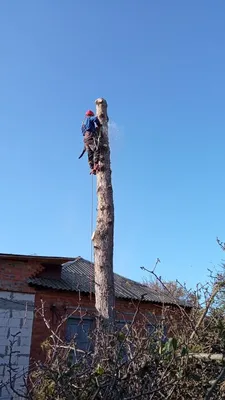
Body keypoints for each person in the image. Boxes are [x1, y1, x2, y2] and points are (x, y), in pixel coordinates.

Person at [81, 110, 101, 174]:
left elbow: (83, 132)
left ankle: (92, 167)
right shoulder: (89, 118)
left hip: (85, 139)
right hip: (90, 136)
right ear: (91, 115)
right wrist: (99, 125)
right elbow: (95, 119)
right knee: (96, 149)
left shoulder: (83, 124)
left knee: (90, 153)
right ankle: (96, 164)